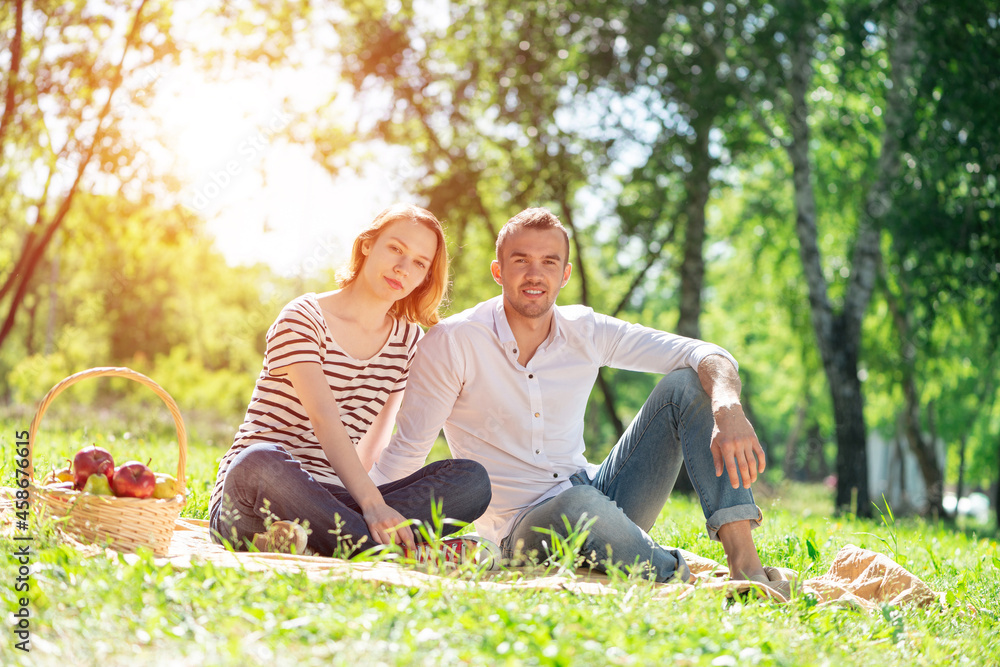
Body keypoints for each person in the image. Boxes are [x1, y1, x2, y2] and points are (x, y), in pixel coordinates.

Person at [371, 207, 787, 596]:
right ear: (498, 271)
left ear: (565, 273)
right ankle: (673, 572)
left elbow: (704, 353)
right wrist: (364, 513)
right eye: (521, 261)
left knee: (689, 385)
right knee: (576, 504)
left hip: (595, 495)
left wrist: (727, 406)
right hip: (521, 526)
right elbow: (407, 451)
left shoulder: (585, 329)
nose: (535, 274)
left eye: (549, 262)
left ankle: (745, 566)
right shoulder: (454, 342)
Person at [209, 204, 491, 557]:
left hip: (332, 500)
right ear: (367, 245)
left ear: (425, 276)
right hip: (254, 493)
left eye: (420, 263)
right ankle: (392, 551)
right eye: (395, 249)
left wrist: (379, 506)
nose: (403, 268)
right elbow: (325, 420)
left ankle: (321, 540)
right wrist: (373, 506)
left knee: (471, 481)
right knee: (259, 460)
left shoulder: (407, 340)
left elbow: (375, 444)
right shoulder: (304, 317)